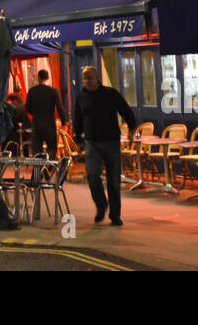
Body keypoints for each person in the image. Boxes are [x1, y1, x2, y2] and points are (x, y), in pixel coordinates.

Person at [73, 65, 137, 227]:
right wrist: (78, 140)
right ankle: (101, 205)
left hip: (111, 142)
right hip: (92, 142)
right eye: (85, 78)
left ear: (97, 79)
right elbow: (78, 119)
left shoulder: (110, 94)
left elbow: (126, 111)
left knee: (113, 181)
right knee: (92, 176)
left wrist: (131, 129)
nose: (87, 81)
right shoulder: (81, 97)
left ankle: (115, 215)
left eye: (90, 78)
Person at [25, 69, 66, 157]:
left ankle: (39, 169)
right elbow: (60, 108)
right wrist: (64, 122)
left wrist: (35, 114)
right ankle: (49, 167)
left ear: (38, 78)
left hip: (36, 124)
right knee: (51, 148)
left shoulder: (32, 91)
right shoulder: (53, 91)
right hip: (50, 125)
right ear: (48, 78)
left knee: (37, 150)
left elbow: (27, 108)